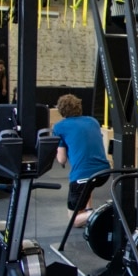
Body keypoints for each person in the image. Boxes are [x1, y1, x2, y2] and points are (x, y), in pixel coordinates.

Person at [53, 94, 110, 228]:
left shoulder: (59, 127)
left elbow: (61, 159)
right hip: (104, 172)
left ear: (61, 110)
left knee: (74, 220)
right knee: (88, 183)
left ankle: (104, 212)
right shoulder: (92, 121)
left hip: (82, 177)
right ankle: (89, 211)